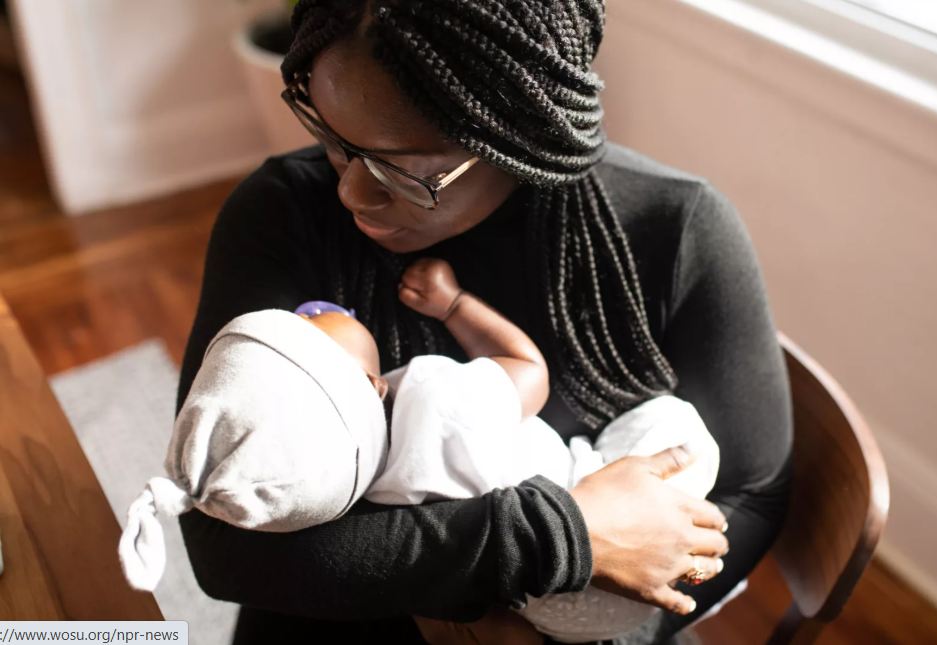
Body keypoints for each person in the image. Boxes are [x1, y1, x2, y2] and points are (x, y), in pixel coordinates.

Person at [176, 1, 792, 643]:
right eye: (332, 139)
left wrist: (600, 634)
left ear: (517, 130)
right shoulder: (280, 217)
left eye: (403, 169)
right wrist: (560, 537)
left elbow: (754, 493)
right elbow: (221, 542)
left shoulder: (675, 229)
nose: (351, 194)